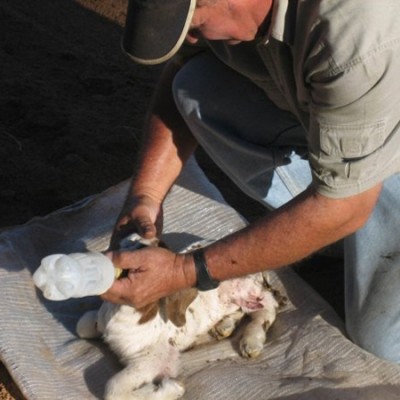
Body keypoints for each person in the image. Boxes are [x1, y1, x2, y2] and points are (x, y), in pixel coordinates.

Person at [101, 0, 400, 363]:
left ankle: (356, 230)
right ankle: (340, 235)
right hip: (359, 124)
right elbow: (183, 64)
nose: (191, 37)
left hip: (382, 139)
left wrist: (186, 271)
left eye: (194, 24)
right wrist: (145, 197)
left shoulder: (356, 35)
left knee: (383, 340)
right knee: (197, 84)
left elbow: (346, 204)